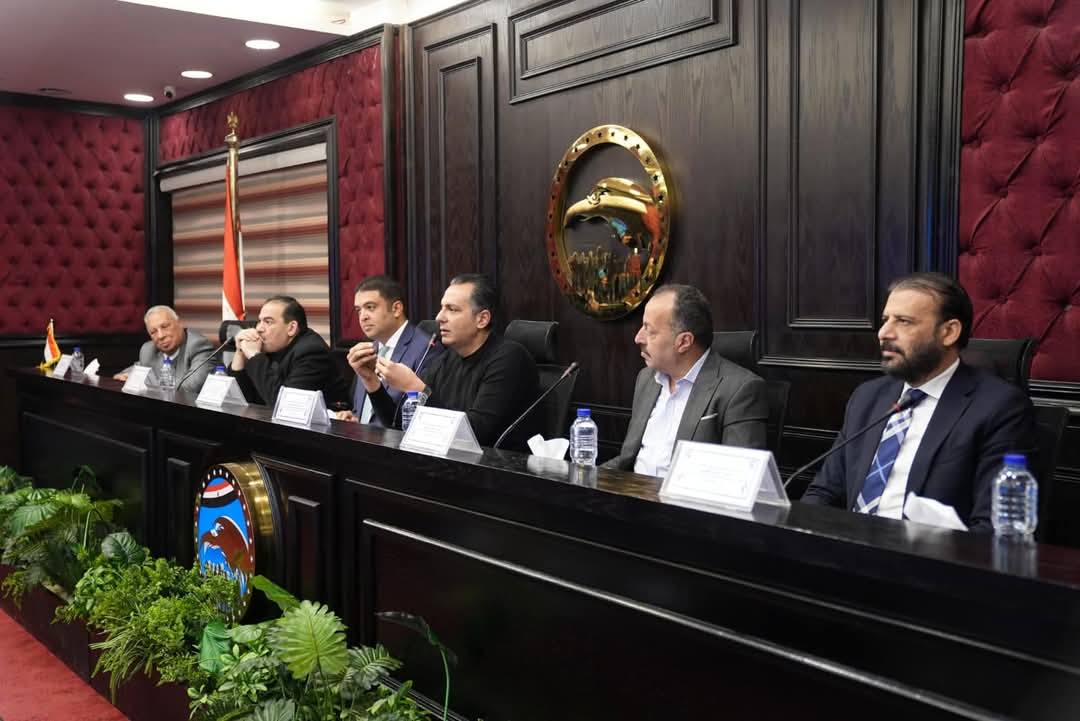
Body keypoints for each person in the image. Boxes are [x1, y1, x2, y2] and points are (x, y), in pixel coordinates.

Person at [800, 272, 1036, 531]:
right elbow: (824, 492)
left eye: (903, 321)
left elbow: (995, 528)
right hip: (850, 545)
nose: (884, 333)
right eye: (885, 320)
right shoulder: (868, 397)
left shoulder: (999, 408)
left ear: (949, 332)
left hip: (926, 553)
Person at [602, 284, 768, 476]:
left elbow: (740, 476)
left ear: (684, 342)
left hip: (685, 495)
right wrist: (591, 478)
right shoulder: (647, 378)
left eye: (649, 330)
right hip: (633, 489)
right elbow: (628, 459)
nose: (638, 338)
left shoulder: (739, 390)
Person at [361, 274, 539, 447]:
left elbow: (477, 434)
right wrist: (371, 381)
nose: (439, 317)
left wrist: (417, 389)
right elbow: (399, 424)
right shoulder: (445, 359)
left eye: (452, 309)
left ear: (482, 319)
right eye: (442, 307)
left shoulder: (510, 359)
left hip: (497, 465)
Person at [337, 275, 443, 425]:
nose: (362, 317)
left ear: (396, 309)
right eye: (359, 310)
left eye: (370, 307)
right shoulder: (367, 350)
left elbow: (419, 418)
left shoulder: (426, 349)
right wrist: (354, 419)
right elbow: (362, 409)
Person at [229, 295, 349, 408]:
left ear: (291, 328)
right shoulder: (272, 346)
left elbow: (284, 405)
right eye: (259, 321)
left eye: (268, 322)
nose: (259, 328)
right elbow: (238, 400)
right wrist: (240, 353)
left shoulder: (312, 353)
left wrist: (254, 355)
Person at [114, 305, 214, 393]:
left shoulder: (198, 346)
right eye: (153, 332)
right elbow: (137, 369)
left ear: (179, 323)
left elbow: (187, 389)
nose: (160, 336)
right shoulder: (149, 349)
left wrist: (146, 383)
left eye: (165, 326)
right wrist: (124, 376)